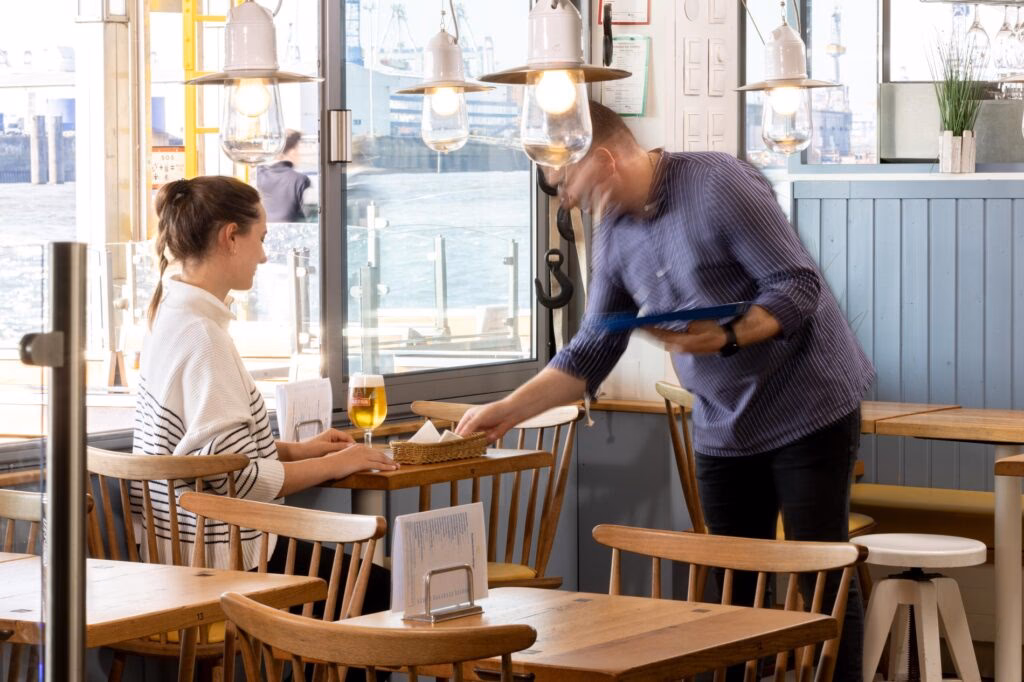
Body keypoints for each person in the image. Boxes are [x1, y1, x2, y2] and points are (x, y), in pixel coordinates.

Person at [457, 101, 874, 681]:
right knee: (729, 591)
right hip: (724, 423)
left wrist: (727, 334)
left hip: (808, 404)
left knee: (818, 573)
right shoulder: (615, 240)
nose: (567, 199)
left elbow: (797, 286)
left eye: (568, 182)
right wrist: (504, 411)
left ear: (603, 159)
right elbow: (589, 353)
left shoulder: (717, 183)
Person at [133, 175, 396, 616]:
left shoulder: (173, 315)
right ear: (230, 237)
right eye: (260, 238)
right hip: (224, 562)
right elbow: (241, 479)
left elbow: (209, 453)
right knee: (383, 590)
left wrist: (296, 450)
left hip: (173, 552)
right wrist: (335, 463)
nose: (263, 254)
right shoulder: (202, 337)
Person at [256, 129, 311, 222]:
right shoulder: (300, 179)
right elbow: (307, 216)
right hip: (290, 233)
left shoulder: (260, 174)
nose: (301, 155)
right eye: (299, 149)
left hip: (264, 230)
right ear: (293, 151)